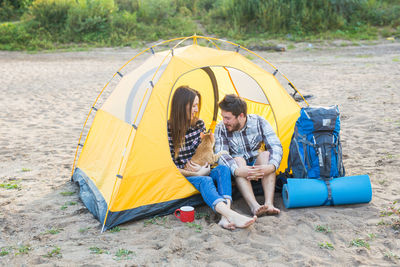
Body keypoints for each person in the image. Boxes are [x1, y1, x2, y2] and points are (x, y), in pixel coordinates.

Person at [168, 86, 256, 229]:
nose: (197, 109)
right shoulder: (168, 130)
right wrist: (197, 173)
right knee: (205, 180)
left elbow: (205, 152)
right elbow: (171, 167)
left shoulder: (198, 124)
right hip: (187, 174)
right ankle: (231, 214)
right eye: (193, 106)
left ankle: (224, 216)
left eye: (197, 105)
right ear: (181, 106)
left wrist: (205, 167)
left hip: (203, 168)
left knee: (223, 169)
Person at [214, 94, 283, 216]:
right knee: (238, 160)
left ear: (241, 116)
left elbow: (276, 146)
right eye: (223, 117)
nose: (224, 121)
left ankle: (269, 204)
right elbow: (221, 155)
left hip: (258, 167)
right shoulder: (221, 128)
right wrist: (237, 170)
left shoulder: (259, 122)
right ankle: (254, 206)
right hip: (240, 169)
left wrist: (272, 166)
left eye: (228, 118)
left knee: (266, 155)